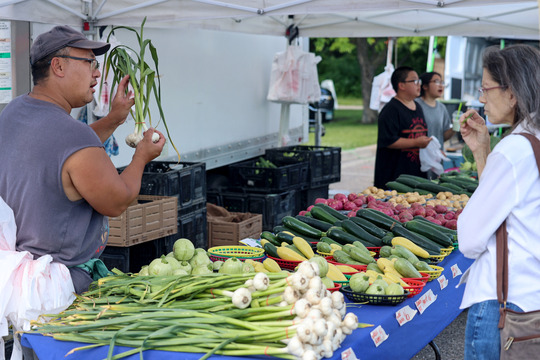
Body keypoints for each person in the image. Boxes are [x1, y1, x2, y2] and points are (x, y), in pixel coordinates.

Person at [0, 25, 166, 294]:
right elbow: (117, 200)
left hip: (15, 279)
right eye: (89, 62)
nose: (97, 73)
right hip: (57, 286)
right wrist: (141, 157)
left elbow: (66, 153)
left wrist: (113, 119)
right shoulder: (72, 135)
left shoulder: (15, 111)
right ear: (58, 66)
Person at [457, 44, 540, 359]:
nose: (481, 99)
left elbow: (469, 238)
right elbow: (507, 210)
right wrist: (482, 153)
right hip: (531, 297)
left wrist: (490, 156)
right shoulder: (533, 141)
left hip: (502, 304)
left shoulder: (513, 151)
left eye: (485, 88)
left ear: (512, 93)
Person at [373, 66, 432, 188]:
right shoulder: (391, 110)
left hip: (417, 175)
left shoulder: (418, 107)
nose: (418, 85)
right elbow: (389, 141)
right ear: (402, 85)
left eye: (419, 81)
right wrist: (416, 142)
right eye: (414, 81)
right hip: (394, 179)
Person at [417, 71, 454, 178]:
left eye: (442, 82)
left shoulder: (442, 108)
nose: (441, 85)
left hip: (437, 160)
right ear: (424, 86)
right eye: (436, 81)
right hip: (420, 160)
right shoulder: (416, 105)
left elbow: (443, 137)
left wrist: (456, 127)